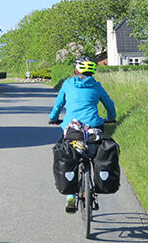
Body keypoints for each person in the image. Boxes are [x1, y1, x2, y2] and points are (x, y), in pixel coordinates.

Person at [49, 56, 117, 212]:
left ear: (76, 70)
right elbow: (109, 105)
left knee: (69, 155)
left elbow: (58, 105)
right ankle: (96, 181)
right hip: (94, 129)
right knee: (95, 154)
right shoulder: (97, 86)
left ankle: (70, 197)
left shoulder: (67, 84)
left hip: (72, 130)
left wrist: (53, 118)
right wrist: (110, 118)